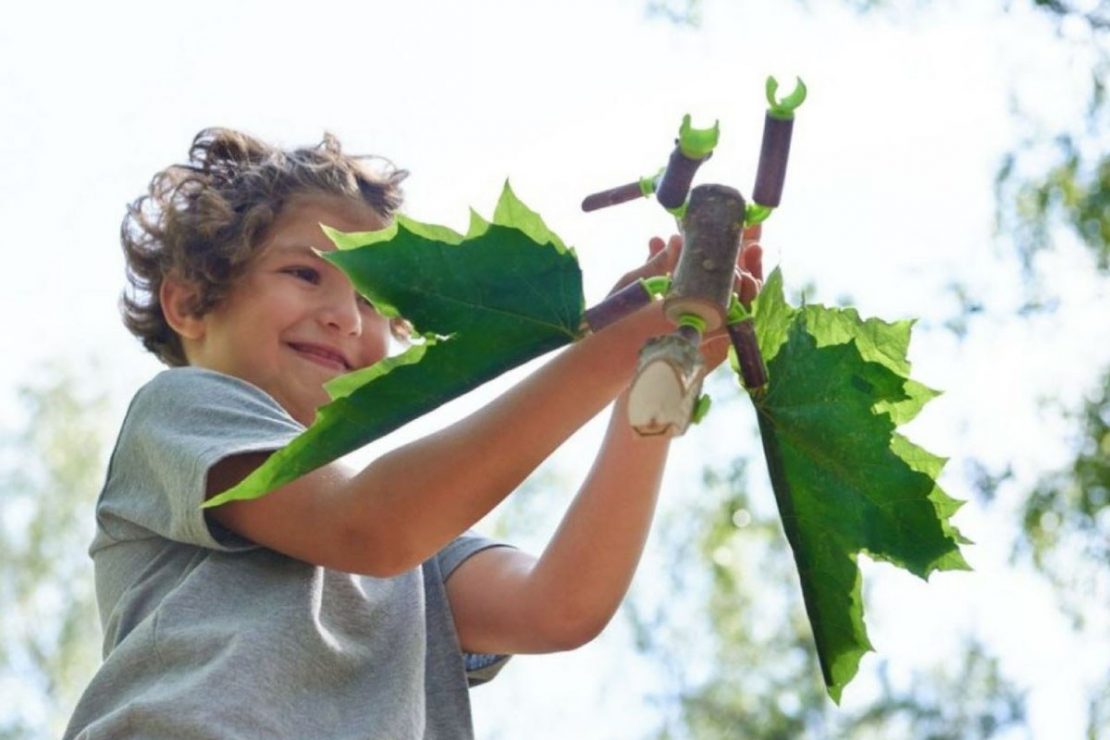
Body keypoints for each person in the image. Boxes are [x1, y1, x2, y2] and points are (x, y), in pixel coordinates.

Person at [64, 128, 764, 739]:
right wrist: (613, 347)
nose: (345, 315)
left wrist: (651, 375)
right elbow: (368, 526)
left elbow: (560, 605)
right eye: (305, 273)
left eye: (376, 300)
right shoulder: (186, 410)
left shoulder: (418, 551)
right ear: (190, 302)